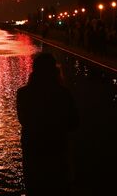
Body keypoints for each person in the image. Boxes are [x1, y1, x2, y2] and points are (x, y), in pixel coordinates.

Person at [16, 52, 79, 195]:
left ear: (34, 70)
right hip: (57, 150)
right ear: (54, 69)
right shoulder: (63, 93)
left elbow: (23, 120)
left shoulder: (23, 93)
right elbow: (75, 122)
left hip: (33, 151)